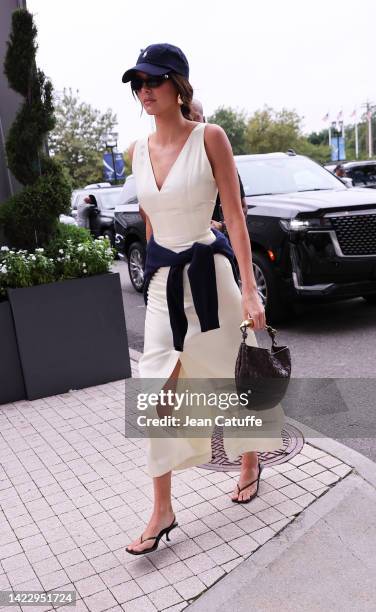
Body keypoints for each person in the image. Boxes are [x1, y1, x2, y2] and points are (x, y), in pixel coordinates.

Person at [122, 43, 285, 555]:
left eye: (152, 81)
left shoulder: (210, 137)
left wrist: (252, 288)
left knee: (234, 379)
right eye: (137, 84)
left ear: (177, 84)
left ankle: (249, 459)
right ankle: (162, 508)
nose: (143, 91)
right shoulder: (136, 150)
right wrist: (153, 273)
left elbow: (234, 214)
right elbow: (151, 223)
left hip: (211, 281)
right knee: (156, 394)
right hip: (164, 287)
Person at [190, 99, 248, 236]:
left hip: (216, 244)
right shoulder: (169, 160)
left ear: (204, 120)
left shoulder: (220, 157)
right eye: (187, 117)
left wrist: (221, 226)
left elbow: (242, 208)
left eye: (196, 117)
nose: (192, 122)